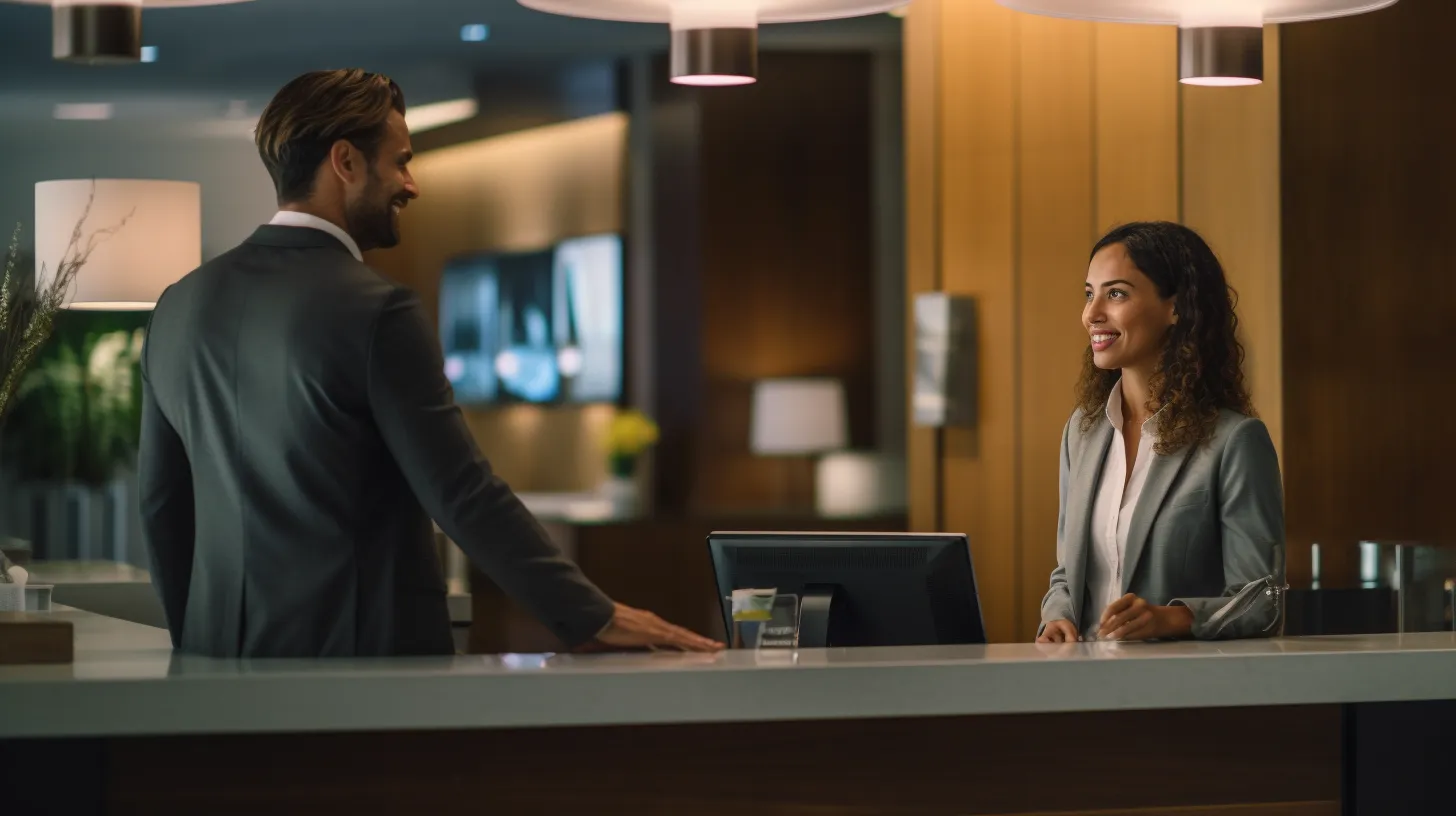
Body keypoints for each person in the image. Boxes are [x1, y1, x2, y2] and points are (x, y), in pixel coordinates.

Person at [139, 69, 720, 658]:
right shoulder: (376, 310)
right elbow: (461, 492)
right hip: (363, 671)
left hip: (216, 663)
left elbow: (163, 504)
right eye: (401, 161)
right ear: (345, 162)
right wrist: (592, 616)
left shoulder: (178, 305)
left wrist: (196, 644)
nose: (412, 185)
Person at [1037, 221, 1285, 644]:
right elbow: (1067, 571)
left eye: (1116, 294)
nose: (1091, 313)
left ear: (1177, 308)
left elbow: (1261, 599)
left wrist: (1171, 619)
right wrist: (1056, 617)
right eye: (1089, 293)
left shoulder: (1234, 442)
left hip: (1178, 694)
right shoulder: (1082, 431)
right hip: (1083, 687)